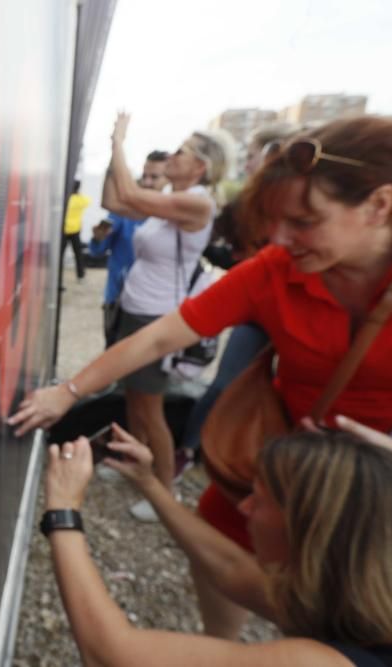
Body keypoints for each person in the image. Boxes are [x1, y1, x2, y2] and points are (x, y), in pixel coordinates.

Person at [10, 115, 392, 637]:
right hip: (286, 451)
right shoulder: (277, 268)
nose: (280, 238)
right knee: (223, 538)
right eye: (275, 221)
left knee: (352, 609)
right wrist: (68, 391)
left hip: (391, 474)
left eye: (303, 221)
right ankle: (223, 645)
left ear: (379, 205)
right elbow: (162, 336)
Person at [43, 426, 392, 666]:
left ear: (310, 535)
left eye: (259, 499)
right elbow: (230, 569)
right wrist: (148, 483)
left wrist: (63, 508)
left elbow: (111, 654)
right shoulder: (382, 599)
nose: (244, 508)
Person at [92, 112, 233, 522]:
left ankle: (165, 493)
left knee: (151, 410)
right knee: (134, 400)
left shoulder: (196, 203)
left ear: (200, 167)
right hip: (135, 311)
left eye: (183, 151)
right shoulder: (169, 202)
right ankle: (138, 467)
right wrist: (109, 156)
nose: (173, 155)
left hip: (157, 319)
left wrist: (119, 142)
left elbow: (133, 197)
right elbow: (114, 202)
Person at [178, 123, 301, 468]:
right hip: (259, 314)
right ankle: (189, 452)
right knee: (226, 385)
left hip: (293, 311)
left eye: (253, 157)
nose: (248, 165)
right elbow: (233, 255)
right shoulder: (242, 205)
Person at [92, 150, 169, 346]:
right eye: (144, 176)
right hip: (119, 301)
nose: (147, 182)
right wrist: (99, 238)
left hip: (156, 306)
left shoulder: (176, 218)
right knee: (114, 356)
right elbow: (97, 251)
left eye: (155, 177)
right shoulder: (125, 212)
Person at [62, 180, 91, 280]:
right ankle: (80, 275)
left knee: (60, 255)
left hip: (64, 230)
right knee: (78, 254)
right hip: (75, 230)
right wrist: (79, 194)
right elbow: (88, 201)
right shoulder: (80, 200)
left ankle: (58, 275)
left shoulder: (66, 199)